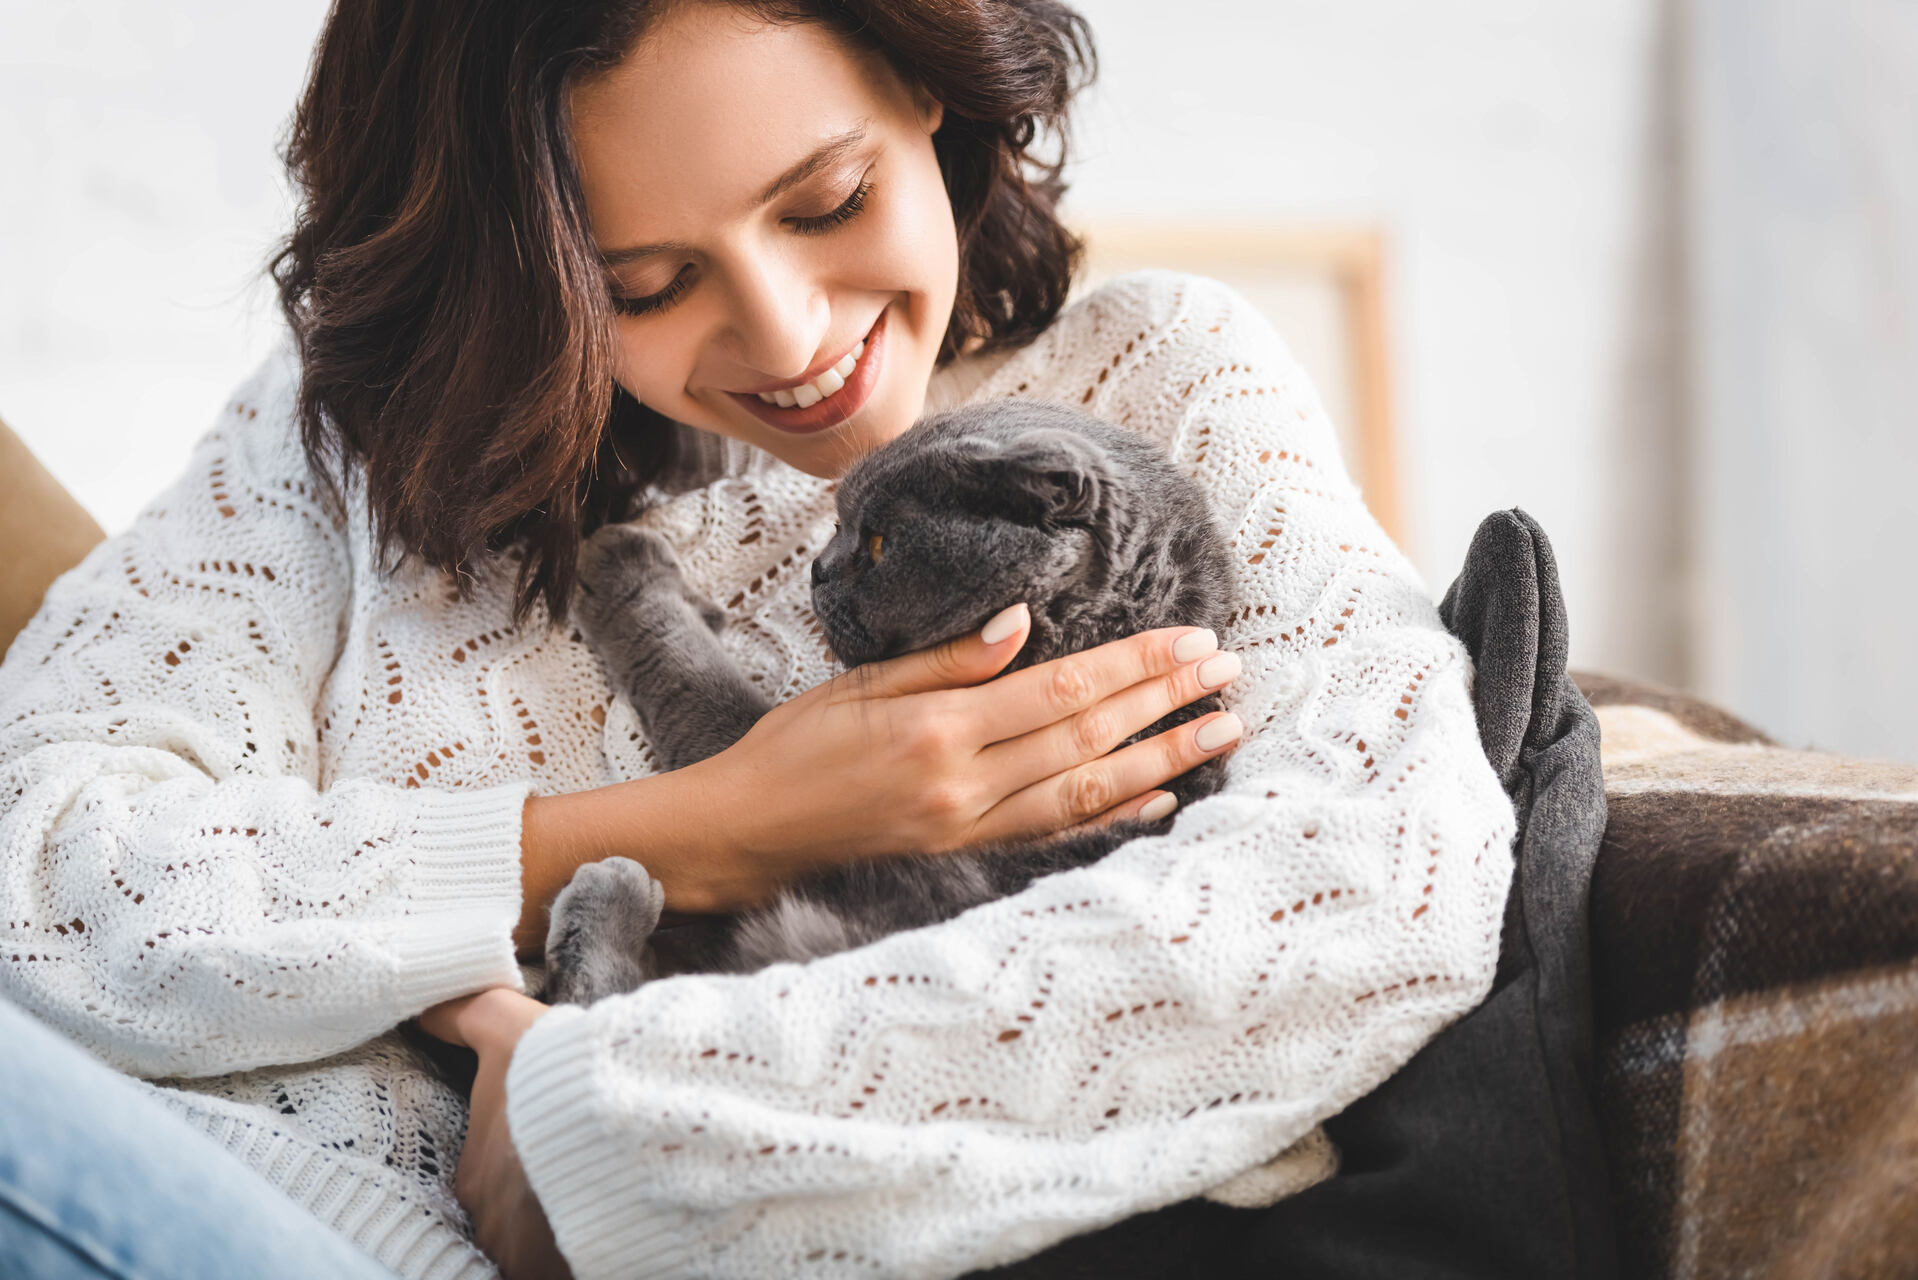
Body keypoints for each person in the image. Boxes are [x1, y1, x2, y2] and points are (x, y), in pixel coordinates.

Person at [0, 2, 1517, 1278]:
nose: (790, 339)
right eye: (643, 289)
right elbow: (40, 863)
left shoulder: (1157, 381)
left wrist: (609, 1120)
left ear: (925, 80)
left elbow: (1381, 888)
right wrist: (705, 827)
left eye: (827, 202)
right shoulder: (339, 450)